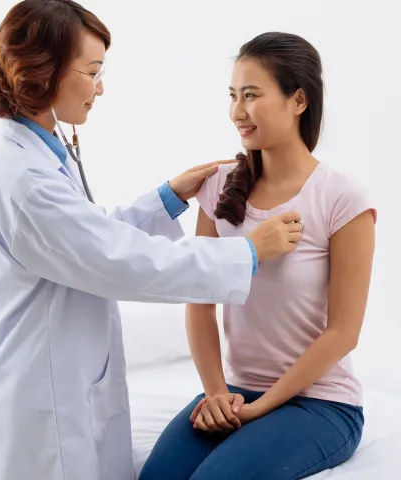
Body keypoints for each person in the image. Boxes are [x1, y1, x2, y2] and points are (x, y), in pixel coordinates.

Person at [0, 3, 303, 480]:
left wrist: (167, 198)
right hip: (41, 405)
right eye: (93, 71)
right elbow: (122, 262)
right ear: (45, 72)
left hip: (64, 382)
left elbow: (89, 236)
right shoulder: (25, 179)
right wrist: (247, 252)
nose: (100, 87)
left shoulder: (39, 154)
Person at [139, 32, 377, 480]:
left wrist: (261, 407)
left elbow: (344, 332)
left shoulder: (341, 198)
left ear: (298, 101)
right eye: (232, 96)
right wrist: (214, 394)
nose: (237, 112)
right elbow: (200, 301)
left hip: (321, 403)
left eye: (251, 96)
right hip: (231, 391)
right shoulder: (219, 185)